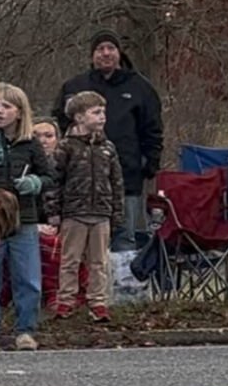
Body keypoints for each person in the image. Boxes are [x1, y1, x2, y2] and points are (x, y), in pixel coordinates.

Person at [0, 82, 55, 352]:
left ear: (19, 111)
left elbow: (50, 176)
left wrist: (35, 183)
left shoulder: (30, 144)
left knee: (27, 277)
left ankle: (25, 330)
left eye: (6, 106)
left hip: (23, 219)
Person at [55, 30, 164, 251]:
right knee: (83, 248)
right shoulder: (74, 87)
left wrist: (148, 164)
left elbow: (153, 129)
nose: (106, 53)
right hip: (82, 187)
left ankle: (122, 285)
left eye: (111, 48)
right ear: (92, 55)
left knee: (124, 239)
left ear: (119, 52)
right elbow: (60, 124)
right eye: (100, 49)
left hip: (127, 179)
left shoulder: (140, 87)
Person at [48, 91, 124, 323]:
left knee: (98, 261)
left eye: (103, 112)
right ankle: (66, 300)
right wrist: (53, 211)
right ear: (80, 117)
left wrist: (116, 213)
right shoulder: (66, 147)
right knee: (70, 260)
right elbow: (54, 181)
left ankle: (98, 301)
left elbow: (116, 182)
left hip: (101, 212)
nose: (102, 117)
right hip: (74, 212)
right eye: (96, 112)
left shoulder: (108, 148)